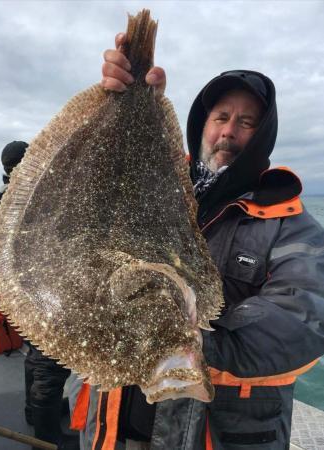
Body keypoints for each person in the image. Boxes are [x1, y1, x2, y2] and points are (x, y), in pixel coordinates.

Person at [69, 33, 324, 450]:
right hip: (109, 429)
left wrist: (184, 339)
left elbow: (305, 318)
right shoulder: (152, 193)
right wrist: (124, 106)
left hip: (210, 435)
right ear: (202, 125)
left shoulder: (291, 224)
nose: (229, 131)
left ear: (264, 136)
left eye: (246, 122)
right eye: (221, 117)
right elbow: (90, 203)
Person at [0, 141, 79, 450]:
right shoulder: (29, 197)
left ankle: (35, 413)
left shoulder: (11, 196)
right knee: (50, 363)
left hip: (24, 290)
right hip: (42, 292)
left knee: (35, 356)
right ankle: (47, 440)